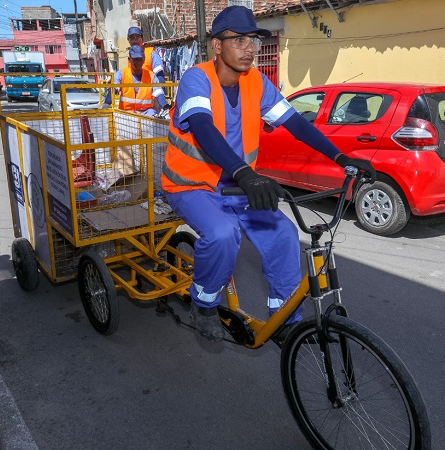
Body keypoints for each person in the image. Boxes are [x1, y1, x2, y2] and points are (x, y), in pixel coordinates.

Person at [161, 6, 376, 343]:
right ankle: (203, 304)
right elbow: (203, 128)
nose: (249, 48)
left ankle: (285, 317)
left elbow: (295, 123)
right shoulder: (196, 79)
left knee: (284, 235)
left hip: (237, 184)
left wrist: (341, 157)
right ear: (216, 46)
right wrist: (245, 173)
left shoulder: (257, 83)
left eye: (255, 41)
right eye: (239, 40)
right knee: (221, 234)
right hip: (191, 185)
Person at [104, 45, 169, 116]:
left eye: (140, 59)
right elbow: (114, 88)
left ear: (144, 60)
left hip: (146, 114)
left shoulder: (151, 76)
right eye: (135, 59)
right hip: (126, 115)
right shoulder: (121, 74)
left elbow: (158, 92)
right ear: (129, 59)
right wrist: (107, 103)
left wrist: (165, 106)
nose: (138, 62)